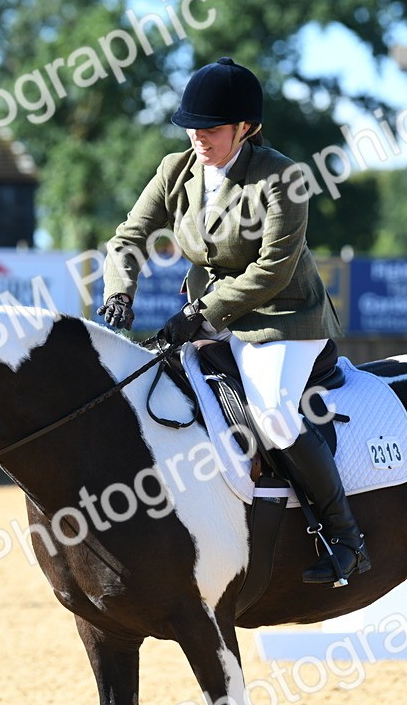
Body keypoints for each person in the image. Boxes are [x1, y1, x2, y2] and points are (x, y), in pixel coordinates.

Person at [97, 56, 370, 586]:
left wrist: (200, 314)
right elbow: (128, 238)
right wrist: (119, 292)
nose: (200, 137)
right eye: (192, 126)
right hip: (213, 316)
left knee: (270, 413)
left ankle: (346, 538)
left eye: (213, 128)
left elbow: (272, 271)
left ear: (246, 127)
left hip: (281, 319)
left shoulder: (282, 177)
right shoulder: (175, 172)